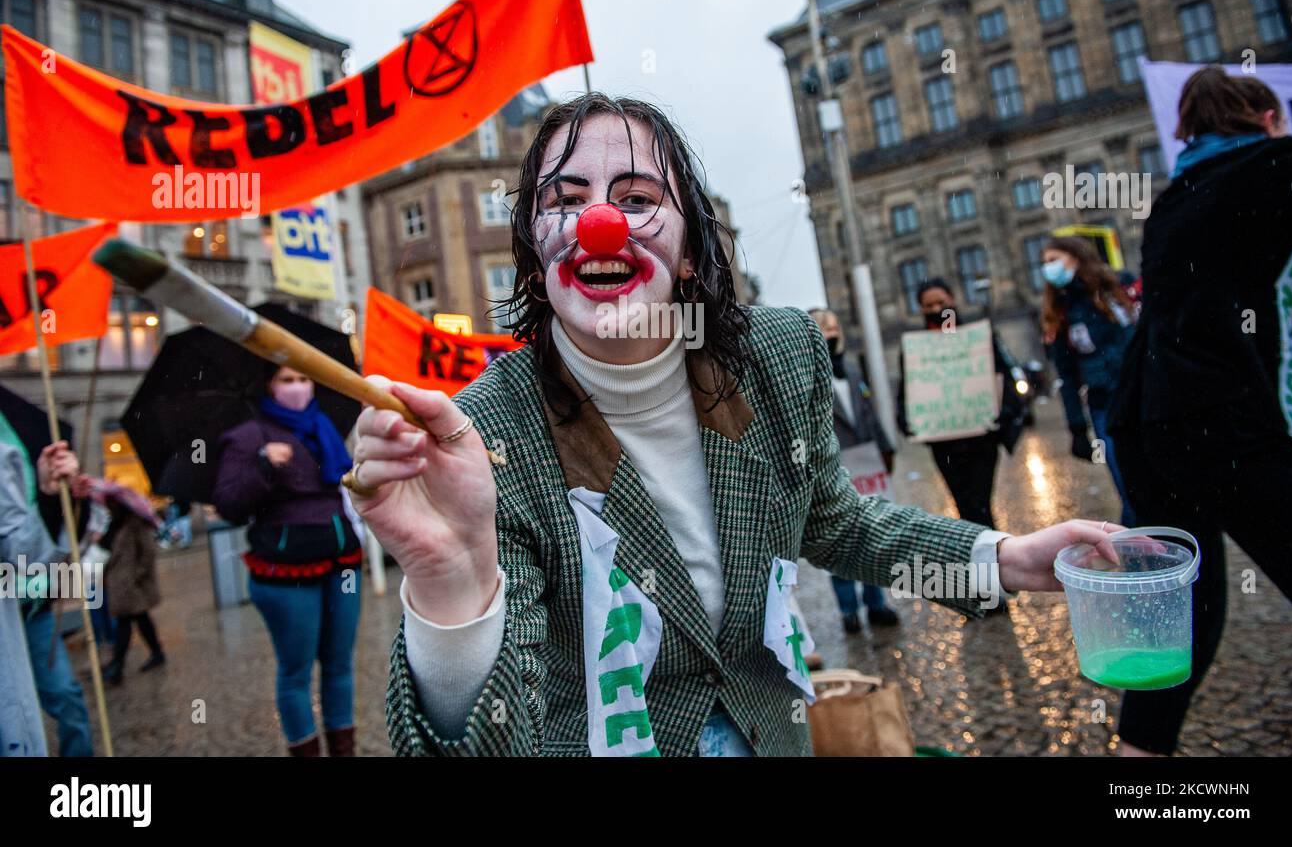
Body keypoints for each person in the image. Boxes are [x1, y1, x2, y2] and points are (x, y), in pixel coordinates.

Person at [348, 93, 1120, 757]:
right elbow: (486, 731)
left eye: (637, 195)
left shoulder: (777, 357)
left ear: (690, 248)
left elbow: (837, 524)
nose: (600, 224)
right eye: (565, 199)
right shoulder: (486, 434)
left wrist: (1005, 558)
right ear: (533, 248)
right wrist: (452, 586)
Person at [1109, 67, 1292, 757]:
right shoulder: (1281, 166)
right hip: (1236, 424)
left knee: (1180, 617)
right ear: (1265, 117)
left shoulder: (1173, 197)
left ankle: (1139, 761)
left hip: (1152, 428)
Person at [212, 365, 362, 757]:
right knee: (296, 673)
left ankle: (344, 751)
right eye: (286, 379)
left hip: (341, 561)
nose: (298, 387)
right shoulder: (248, 436)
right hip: (285, 573)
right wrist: (262, 464)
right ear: (268, 385)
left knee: (339, 665)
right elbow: (228, 504)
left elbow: (344, 482)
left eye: (304, 378)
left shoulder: (323, 427)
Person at [896, 277, 1023, 531]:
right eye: (928, 305)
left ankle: (990, 558)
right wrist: (906, 419)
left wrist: (1005, 411)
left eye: (940, 302)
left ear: (952, 301)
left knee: (981, 502)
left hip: (981, 437)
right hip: (944, 442)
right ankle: (983, 557)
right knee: (963, 503)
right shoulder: (914, 350)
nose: (935, 309)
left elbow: (1004, 377)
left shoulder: (979, 337)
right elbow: (907, 391)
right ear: (921, 309)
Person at [807, 307, 898, 631]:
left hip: (867, 463)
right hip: (835, 467)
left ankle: (876, 603)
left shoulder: (853, 373)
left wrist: (886, 449)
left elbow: (869, 415)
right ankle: (848, 610)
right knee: (839, 538)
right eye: (823, 327)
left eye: (834, 326)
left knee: (869, 533)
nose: (831, 333)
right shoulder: (807, 378)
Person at [1039, 235, 1138, 526]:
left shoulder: (1119, 286)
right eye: (1044, 263)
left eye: (1053, 260)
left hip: (1140, 396)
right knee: (1128, 489)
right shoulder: (1060, 311)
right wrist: (1076, 427)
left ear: (1076, 256)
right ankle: (1138, 561)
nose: (1048, 268)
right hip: (1104, 406)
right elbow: (1066, 375)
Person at [0, 436, 82, 757]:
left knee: (65, 694)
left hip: (31, 610)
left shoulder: (15, 427)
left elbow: (25, 547)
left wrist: (52, 496)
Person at [74, 478, 166, 687]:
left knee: (126, 623)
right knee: (141, 620)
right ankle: (154, 653)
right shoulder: (115, 524)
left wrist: (138, 575)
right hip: (121, 584)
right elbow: (109, 552)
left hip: (131, 584)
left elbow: (148, 551)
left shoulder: (134, 523)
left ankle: (118, 665)